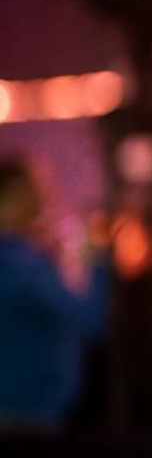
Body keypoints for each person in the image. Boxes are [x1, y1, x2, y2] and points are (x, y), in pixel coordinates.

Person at [0, 157, 109, 432]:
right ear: (14, 197)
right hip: (23, 417)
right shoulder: (20, 264)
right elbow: (89, 319)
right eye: (37, 189)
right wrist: (98, 255)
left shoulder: (21, 259)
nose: (45, 197)